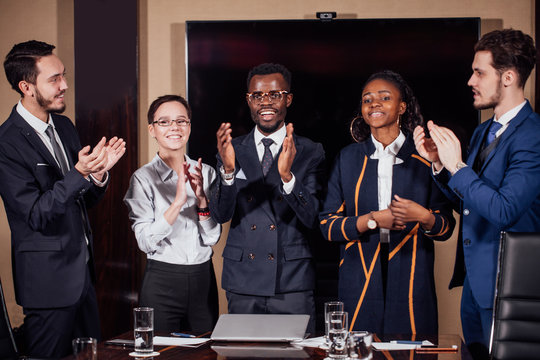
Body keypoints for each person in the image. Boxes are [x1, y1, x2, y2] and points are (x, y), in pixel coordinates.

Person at [413, 28, 540, 359]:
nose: (471, 80)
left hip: (512, 289)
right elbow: (471, 204)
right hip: (475, 287)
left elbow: (505, 210)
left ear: (509, 77)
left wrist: (458, 168)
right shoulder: (484, 130)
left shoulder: (533, 135)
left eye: (479, 72)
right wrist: (440, 165)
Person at [0, 40, 126, 358]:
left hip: (82, 276)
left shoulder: (65, 126)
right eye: (54, 79)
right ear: (26, 86)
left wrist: (97, 175)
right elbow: (36, 214)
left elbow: (80, 201)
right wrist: (79, 173)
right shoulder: (6, 144)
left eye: (64, 75)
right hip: (47, 285)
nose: (65, 85)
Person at [320, 70, 455, 335]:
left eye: (384, 97)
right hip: (358, 274)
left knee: (411, 350)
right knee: (358, 350)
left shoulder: (425, 155)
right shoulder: (348, 158)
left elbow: (445, 226)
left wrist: (423, 216)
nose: (374, 104)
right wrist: (373, 219)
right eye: (367, 99)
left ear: (402, 106)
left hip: (412, 273)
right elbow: (328, 225)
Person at [210, 63, 325, 334]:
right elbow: (221, 214)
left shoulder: (309, 150)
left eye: (274, 94)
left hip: (291, 280)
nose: (266, 103)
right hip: (243, 279)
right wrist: (227, 171)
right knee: (245, 354)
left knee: (295, 355)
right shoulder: (232, 149)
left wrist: (287, 176)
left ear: (288, 99)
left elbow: (313, 217)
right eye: (257, 96)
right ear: (248, 101)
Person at [124, 95, 220, 333]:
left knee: (205, 352)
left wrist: (201, 201)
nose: (174, 127)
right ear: (152, 129)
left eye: (181, 121)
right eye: (164, 122)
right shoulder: (142, 178)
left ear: (189, 126)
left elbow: (211, 238)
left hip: (202, 279)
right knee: (162, 353)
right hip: (162, 281)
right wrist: (177, 202)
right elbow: (145, 242)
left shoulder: (206, 173)